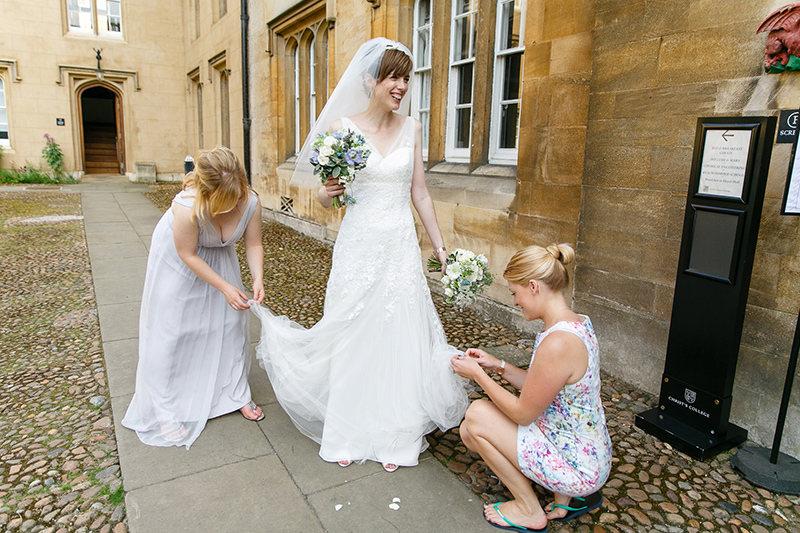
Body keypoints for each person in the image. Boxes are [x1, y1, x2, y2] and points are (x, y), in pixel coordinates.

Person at [249, 38, 470, 472]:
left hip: (400, 247)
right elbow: (329, 202)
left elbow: (419, 193)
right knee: (353, 333)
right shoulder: (340, 130)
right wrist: (327, 192)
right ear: (370, 80)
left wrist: (442, 249)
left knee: (397, 335)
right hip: (359, 245)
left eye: (406, 78)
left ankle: (394, 434)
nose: (402, 86)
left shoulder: (412, 128)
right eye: (393, 77)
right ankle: (348, 432)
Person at [451, 244, 612, 532]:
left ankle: (529, 510)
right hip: (584, 453)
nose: (515, 301)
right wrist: (498, 365)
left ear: (534, 286)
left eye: (515, 292)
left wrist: (477, 375)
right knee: (468, 433)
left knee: (476, 415)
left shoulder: (557, 342)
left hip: (579, 468)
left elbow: (523, 414)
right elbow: (546, 388)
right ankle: (564, 498)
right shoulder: (575, 323)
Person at [122, 146, 265, 449]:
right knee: (173, 330)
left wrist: (257, 277)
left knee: (230, 323)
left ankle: (234, 393)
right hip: (181, 260)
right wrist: (225, 287)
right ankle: (165, 409)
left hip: (219, 256)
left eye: (236, 196)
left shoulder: (251, 201)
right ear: (206, 191)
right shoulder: (186, 207)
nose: (233, 205)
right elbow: (186, 254)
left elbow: (253, 244)